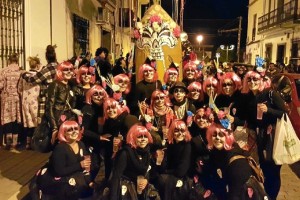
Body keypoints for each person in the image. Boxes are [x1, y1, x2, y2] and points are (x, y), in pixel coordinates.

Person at [241, 70, 287, 199]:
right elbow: (249, 119)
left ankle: (272, 197)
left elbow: (284, 113)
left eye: (255, 79)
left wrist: (269, 110)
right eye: (249, 80)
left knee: (274, 170)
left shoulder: (270, 94)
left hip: (273, 137)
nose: (252, 82)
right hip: (260, 138)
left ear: (261, 80)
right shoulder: (250, 97)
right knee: (265, 170)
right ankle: (267, 195)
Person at [206, 123, 268, 200]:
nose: (217, 138)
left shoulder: (237, 165)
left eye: (221, 135)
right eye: (214, 135)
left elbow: (235, 194)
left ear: (227, 137)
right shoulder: (220, 151)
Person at [35, 120, 92, 200]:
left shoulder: (81, 144)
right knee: (71, 187)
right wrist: (80, 165)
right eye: (69, 130)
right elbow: (59, 171)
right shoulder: (60, 148)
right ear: (64, 133)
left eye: (76, 128)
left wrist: (90, 181)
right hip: (56, 180)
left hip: (72, 177)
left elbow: (86, 166)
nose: (74, 131)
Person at [108, 124, 159, 200]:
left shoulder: (147, 152)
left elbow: (149, 172)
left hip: (141, 188)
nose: (143, 139)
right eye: (139, 137)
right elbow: (116, 176)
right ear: (133, 138)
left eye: (145, 136)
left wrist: (146, 180)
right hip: (126, 187)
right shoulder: (125, 153)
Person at [101, 98, 139, 181]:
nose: (110, 110)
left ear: (118, 107)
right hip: (114, 156)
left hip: (128, 156)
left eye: (113, 107)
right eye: (108, 108)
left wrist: (123, 141)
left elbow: (137, 138)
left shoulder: (128, 119)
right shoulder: (109, 122)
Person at [21, 45, 58, 123]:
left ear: (46, 57)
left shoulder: (46, 70)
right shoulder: (60, 67)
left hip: (47, 101)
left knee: (44, 124)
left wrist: (23, 74)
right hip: (59, 100)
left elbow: (31, 80)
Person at [157, 120, 192, 200]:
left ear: (186, 132)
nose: (180, 133)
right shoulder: (170, 144)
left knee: (162, 179)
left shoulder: (187, 145)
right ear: (172, 132)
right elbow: (163, 167)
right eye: (176, 131)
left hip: (183, 176)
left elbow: (181, 171)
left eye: (182, 130)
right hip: (172, 174)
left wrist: (167, 171)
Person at [45, 61, 77, 145]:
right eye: (66, 69)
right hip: (58, 120)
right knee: (59, 146)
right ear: (60, 71)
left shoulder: (69, 85)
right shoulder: (55, 84)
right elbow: (49, 106)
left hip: (69, 119)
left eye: (71, 69)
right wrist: (54, 127)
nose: (69, 71)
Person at [18, 56, 41, 149]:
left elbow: (19, 89)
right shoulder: (38, 76)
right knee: (36, 122)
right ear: (37, 65)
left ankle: (27, 143)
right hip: (35, 100)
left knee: (28, 123)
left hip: (25, 101)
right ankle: (34, 143)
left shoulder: (23, 76)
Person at [0, 53, 22, 151]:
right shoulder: (20, 71)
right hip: (16, 98)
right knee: (16, 120)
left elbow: (0, 85)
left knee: (8, 120)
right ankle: (14, 144)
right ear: (17, 61)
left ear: (9, 60)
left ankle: (8, 143)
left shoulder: (4, 71)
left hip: (7, 98)